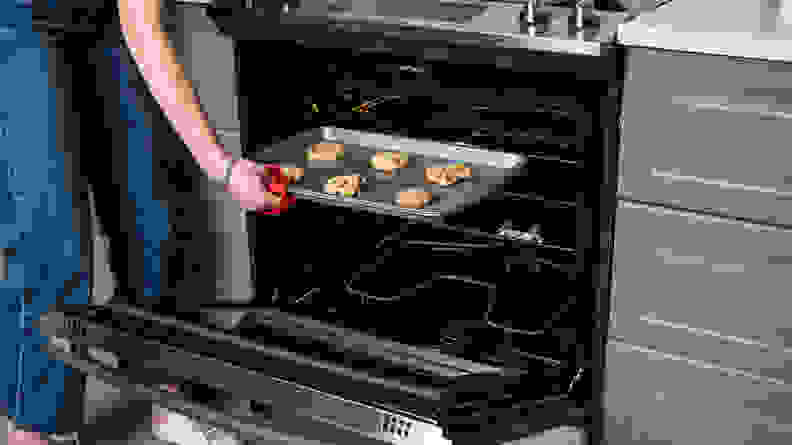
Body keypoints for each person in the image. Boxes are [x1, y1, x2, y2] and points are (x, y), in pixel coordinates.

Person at [6, 0, 291, 443]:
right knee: (53, 238)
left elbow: (140, 22)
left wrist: (219, 166)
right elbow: (145, 31)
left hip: (97, 16)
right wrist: (222, 167)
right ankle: (38, 427)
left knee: (152, 214)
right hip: (19, 17)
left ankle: (166, 391)